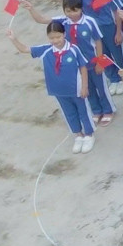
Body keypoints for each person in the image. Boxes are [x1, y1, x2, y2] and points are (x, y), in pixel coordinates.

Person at [10, 16, 95, 153]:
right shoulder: (46, 50)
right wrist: (14, 39)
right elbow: (25, 49)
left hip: (76, 89)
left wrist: (84, 86)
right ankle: (78, 135)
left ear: (64, 34)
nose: (55, 40)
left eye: (58, 37)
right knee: (69, 113)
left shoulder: (73, 49)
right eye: (52, 38)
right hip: (58, 90)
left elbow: (83, 67)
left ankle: (89, 135)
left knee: (83, 111)